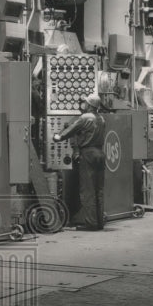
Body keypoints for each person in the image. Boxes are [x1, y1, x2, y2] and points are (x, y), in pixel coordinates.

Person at [53, 94, 106, 231]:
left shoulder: (85, 118)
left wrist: (58, 137)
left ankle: (91, 223)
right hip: (100, 153)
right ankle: (99, 222)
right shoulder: (101, 119)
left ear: (89, 105)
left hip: (88, 153)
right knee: (98, 189)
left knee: (87, 189)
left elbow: (71, 130)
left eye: (86, 103)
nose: (84, 105)